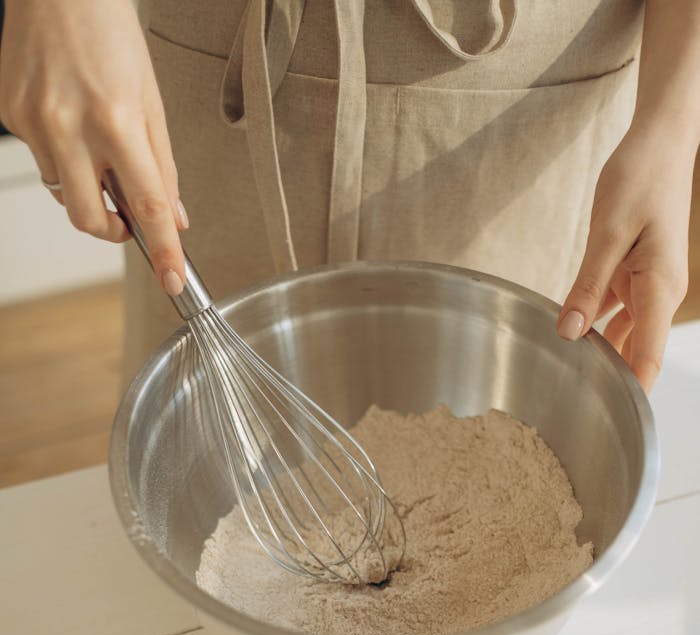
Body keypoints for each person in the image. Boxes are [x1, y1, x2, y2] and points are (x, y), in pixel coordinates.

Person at [1, 0, 698, 391]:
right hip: (212, 64)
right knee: (200, 424)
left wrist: (672, 124)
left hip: (531, 90)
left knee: (502, 424)